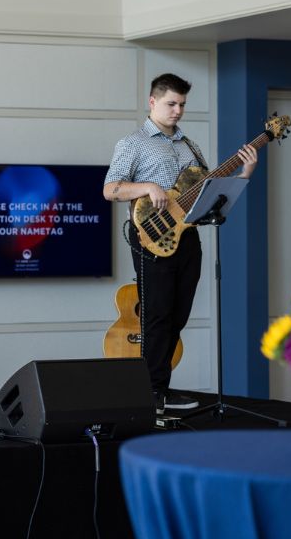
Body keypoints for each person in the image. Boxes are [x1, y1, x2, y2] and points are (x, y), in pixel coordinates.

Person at [102, 73, 257, 410]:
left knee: (178, 315)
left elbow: (209, 191)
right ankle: (151, 392)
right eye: (171, 103)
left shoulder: (190, 146)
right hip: (150, 238)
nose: (178, 111)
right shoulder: (133, 143)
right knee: (157, 315)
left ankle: (160, 387)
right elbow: (110, 189)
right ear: (152, 102)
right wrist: (148, 187)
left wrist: (244, 173)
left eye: (182, 104)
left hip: (187, 237)